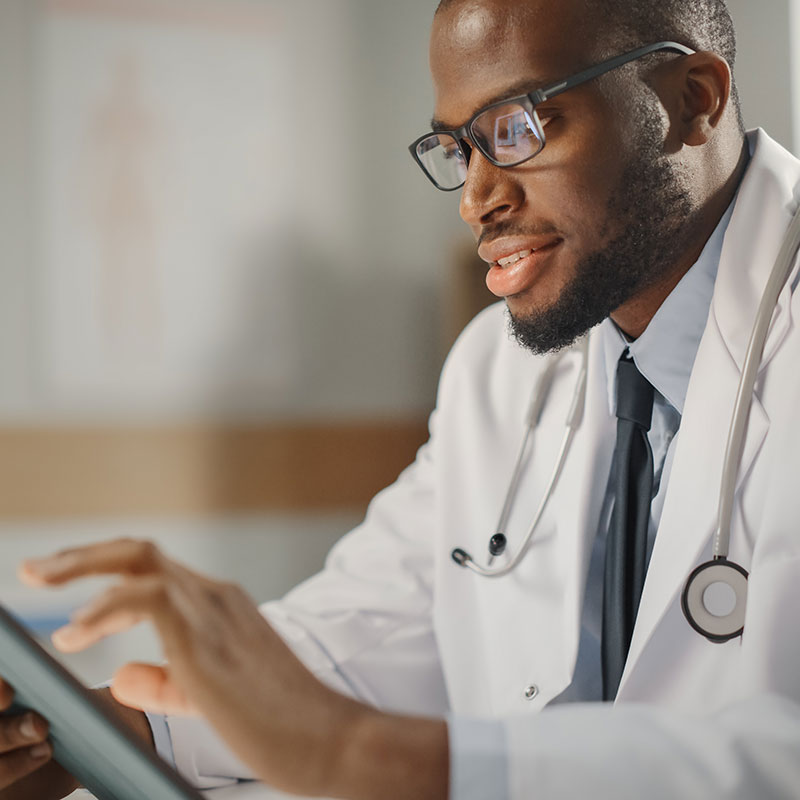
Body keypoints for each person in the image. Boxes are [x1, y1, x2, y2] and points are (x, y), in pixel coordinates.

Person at [2, 0, 800, 797]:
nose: (476, 198)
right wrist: (91, 735)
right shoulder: (498, 370)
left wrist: (368, 759)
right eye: (460, 148)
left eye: (520, 125)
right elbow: (373, 629)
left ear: (694, 97)